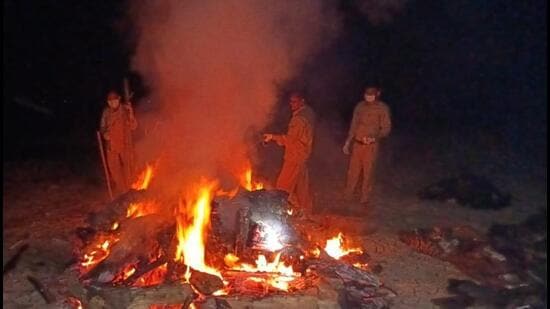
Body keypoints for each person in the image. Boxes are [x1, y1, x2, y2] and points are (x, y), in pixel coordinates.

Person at [264, 92, 316, 214]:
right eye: (291, 102)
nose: (292, 104)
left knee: (283, 186)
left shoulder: (298, 119)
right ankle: (305, 211)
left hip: (295, 155)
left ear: (302, 101)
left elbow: (290, 139)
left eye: (295, 102)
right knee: (302, 186)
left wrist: (272, 137)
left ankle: (278, 212)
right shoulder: (309, 112)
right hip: (303, 154)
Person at [342, 85, 391, 206]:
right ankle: (348, 196)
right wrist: (348, 142)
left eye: (371, 95)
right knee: (353, 171)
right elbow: (353, 125)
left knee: (368, 172)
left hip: (371, 146)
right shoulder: (360, 106)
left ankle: (365, 199)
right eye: (367, 95)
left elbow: (386, 128)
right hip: (357, 145)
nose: (368, 97)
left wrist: (374, 137)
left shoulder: (382, 108)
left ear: (376, 95)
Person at [100, 90, 138, 194]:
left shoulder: (126, 110)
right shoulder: (106, 112)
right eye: (110, 101)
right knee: (114, 170)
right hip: (111, 145)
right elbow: (102, 127)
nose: (112, 103)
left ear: (119, 99)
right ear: (108, 102)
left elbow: (134, 126)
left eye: (114, 100)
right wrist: (104, 134)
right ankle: (122, 191)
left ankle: (131, 190)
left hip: (125, 144)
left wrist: (131, 114)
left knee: (129, 168)